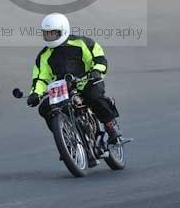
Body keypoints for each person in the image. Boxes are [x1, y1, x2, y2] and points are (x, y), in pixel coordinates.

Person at [26, 13, 123, 144]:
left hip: (86, 81)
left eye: (53, 33)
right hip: (62, 90)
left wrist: (96, 71)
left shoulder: (82, 43)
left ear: (63, 31)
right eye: (46, 33)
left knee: (94, 96)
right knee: (44, 108)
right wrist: (35, 94)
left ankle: (110, 127)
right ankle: (65, 139)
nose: (49, 37)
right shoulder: (43, 56)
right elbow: (40, 79)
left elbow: (99, 58)